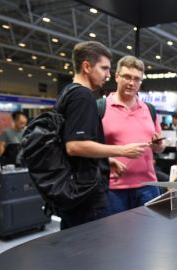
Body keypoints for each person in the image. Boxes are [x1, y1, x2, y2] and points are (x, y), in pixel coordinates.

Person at [56, 41, 149, 229]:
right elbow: (74, 146)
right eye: (104, 68)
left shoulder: (68, 92)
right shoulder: (83, 96)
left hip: (74, 187)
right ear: (87, 67)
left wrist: (107, 159)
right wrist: (121, 150)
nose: (107, 74)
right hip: (84, 190)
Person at [101, 55, 166, 215]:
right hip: (113, 190)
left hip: (148, 187)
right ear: (116, 76)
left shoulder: (149, 109)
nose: (131, 83)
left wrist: (158, 145)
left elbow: (160, 148)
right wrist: (109, 159)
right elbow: (89, 148)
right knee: (116, 238)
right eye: (127, 77)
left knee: (148, 238)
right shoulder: (101, 107)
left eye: (137, 79)